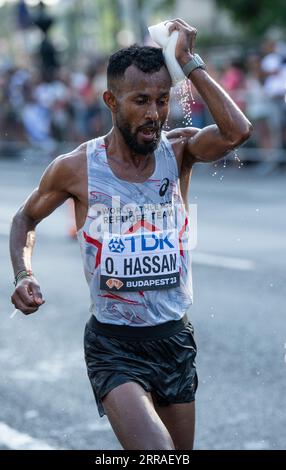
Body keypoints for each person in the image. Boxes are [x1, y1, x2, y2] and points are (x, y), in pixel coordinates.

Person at [10, 19, 252, 450]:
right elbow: (24, 219)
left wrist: (189, 63)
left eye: (161, 100)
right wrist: (23, 273)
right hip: (114, 346)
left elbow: (237, 131)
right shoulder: (76, 168)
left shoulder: (178, 151)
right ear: (111, 101)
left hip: (174, 338)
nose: (154, 114)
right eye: (140, 100)